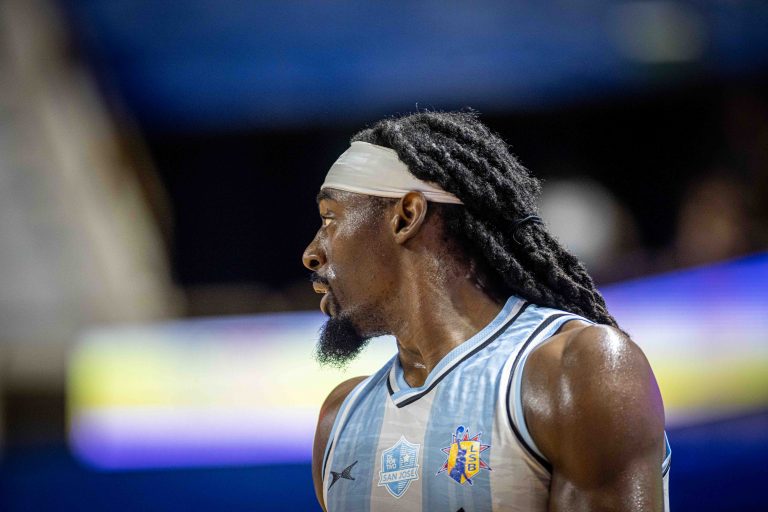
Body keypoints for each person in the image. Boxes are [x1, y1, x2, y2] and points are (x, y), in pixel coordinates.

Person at [302, 111, 670, 512]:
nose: (312, 253)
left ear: (406, 216)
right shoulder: (340, 418)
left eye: (330, 219)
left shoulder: (571, 370)